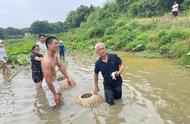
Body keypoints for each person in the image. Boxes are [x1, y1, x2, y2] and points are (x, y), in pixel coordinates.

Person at [41, 36, 72, 107]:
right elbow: (47, 80)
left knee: (59, 97)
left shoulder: (54, 55)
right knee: (54, 105)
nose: (58, 45)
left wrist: (67, 78)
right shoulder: (46, 61)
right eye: (55, 43)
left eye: (58, 43)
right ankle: (54, 115)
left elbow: (60, 66)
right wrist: (54, 94)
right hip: (48, 84)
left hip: (55, 81)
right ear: (49, 45)